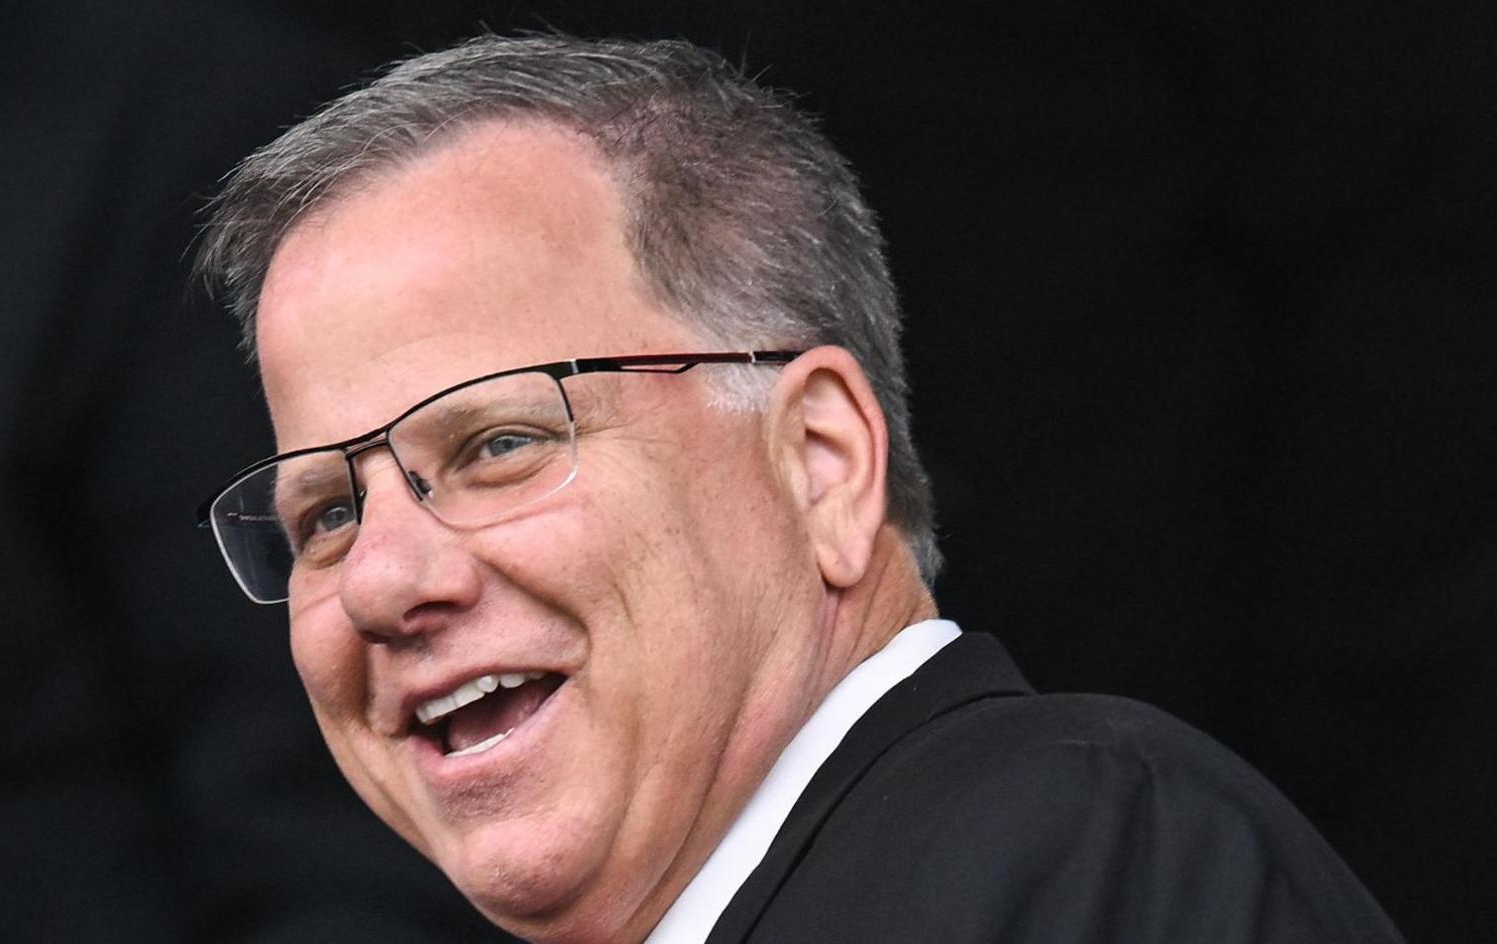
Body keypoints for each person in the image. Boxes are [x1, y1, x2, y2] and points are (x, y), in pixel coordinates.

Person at [193, 34, 1405, 943]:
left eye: (499, 444)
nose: (387, 583)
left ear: (820, 461)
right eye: (329, 515)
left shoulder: (1082, 851)